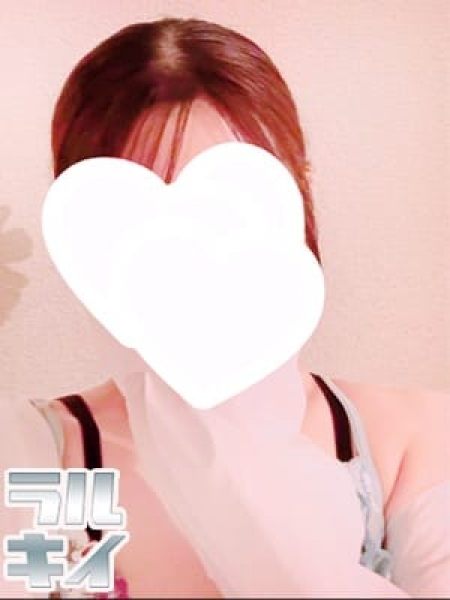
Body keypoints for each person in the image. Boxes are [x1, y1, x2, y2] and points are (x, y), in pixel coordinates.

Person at [1, 18, 449, 599]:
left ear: (296, 194)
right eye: (140, 220)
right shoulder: (44, 458)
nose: (189, 252)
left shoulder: (406, 439)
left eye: (223, 206)